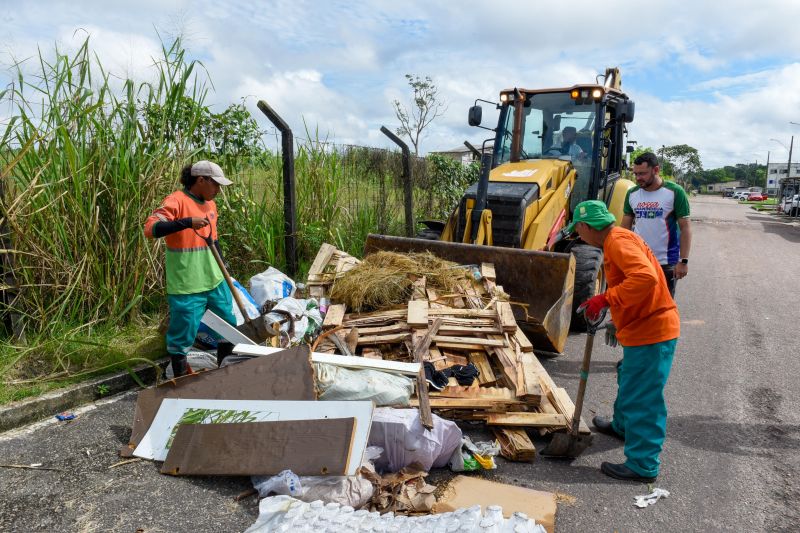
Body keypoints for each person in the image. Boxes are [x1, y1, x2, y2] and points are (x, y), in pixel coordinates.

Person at [567, 200, 680, 482]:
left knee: (642, 397)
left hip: (652, 331)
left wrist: (606, 298)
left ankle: (643, 465)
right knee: (627, 377)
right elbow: (631, 283)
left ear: (585, 226)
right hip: (641, 327)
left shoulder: (617, 242)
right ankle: (622, 426)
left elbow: (646, 279)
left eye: (578, 230)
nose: (579, 236)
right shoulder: (617, 238)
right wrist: (617, 318)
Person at [144, 160, 236, 377]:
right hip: (187, 283)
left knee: (227, 326)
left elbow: (214, 240)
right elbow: (151, 229)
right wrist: (185, 222)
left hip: (214, 278)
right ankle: (180, 380)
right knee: (182, 332)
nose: (218, 191)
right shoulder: (177, 201)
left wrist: (226, 272)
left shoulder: (211, 205)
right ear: (200, 180)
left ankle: (225, 374)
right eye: (215, 185)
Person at [622, 152, 692, 297]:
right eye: (635, 174)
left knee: (663, 308)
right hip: (639, 260)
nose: (638, 178)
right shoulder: (632, 194)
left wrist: (683, 261)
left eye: (642, 173)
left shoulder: (674, 192)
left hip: (666, 262)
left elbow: (685, 228)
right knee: (637, 304)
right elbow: (624, 230)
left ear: (656, 170)